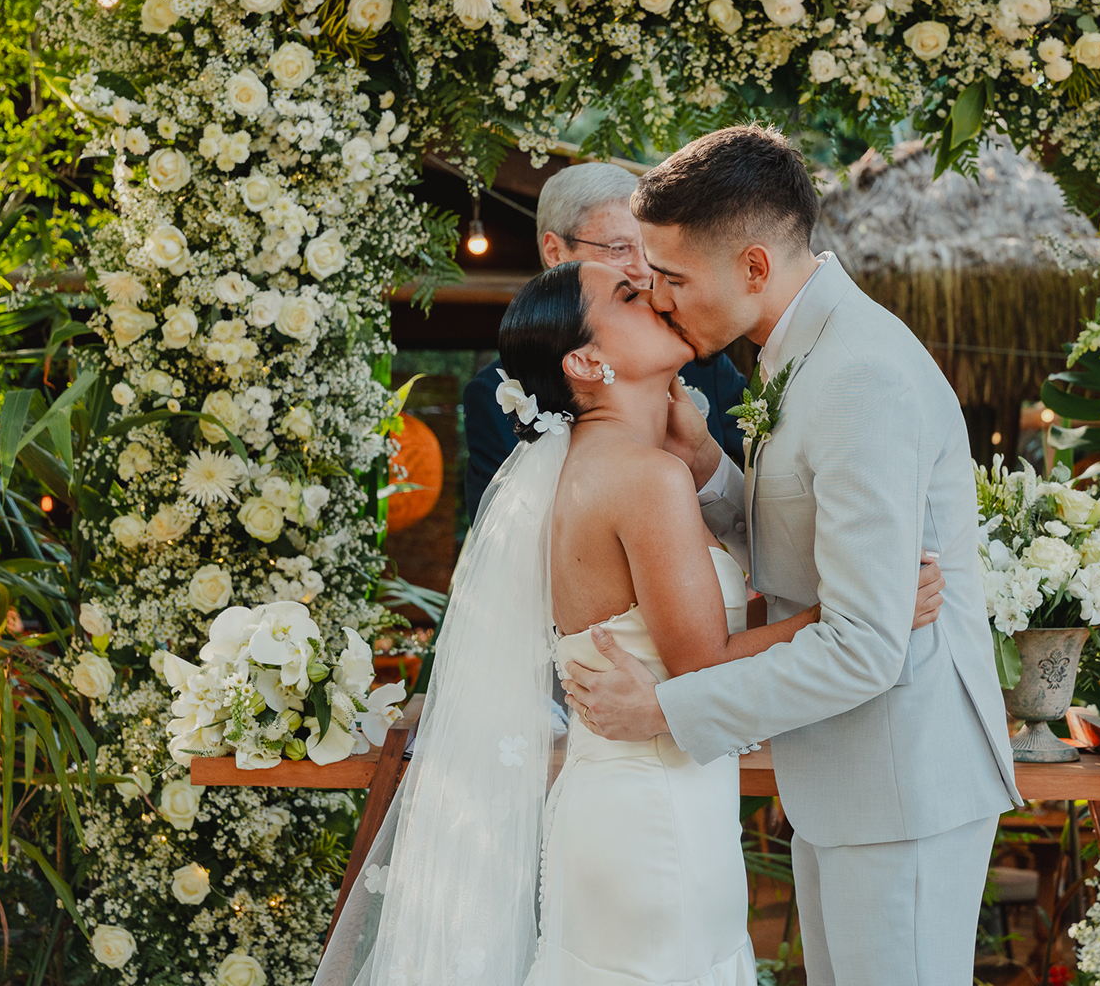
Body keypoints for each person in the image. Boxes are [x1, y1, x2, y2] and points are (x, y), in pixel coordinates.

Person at [313, 260, 946, 986]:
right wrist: (863, 612)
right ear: (585, 361)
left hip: (635, 805)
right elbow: (704, 661)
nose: (654, 294)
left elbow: (693, 634)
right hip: (655, 819)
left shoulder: (603, 467)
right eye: (626, 294)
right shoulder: (643, 480)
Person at [561, 125, 1022, 986]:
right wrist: (710, 471)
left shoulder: (858, 376)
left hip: (901, 783)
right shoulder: (800, 353)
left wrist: (666, 707)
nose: (660, 302)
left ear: (755, 268)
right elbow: (801, 535)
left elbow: (863, 646)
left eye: (673, 280)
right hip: (851, 782)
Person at [463, 162, 747, 525]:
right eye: (618, 248)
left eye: (645, 249)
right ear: (555, 252)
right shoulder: (498, 395)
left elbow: (770, 491)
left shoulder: (696, 357)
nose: (643, 270)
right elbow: (506, 542)